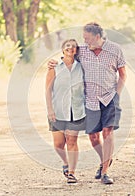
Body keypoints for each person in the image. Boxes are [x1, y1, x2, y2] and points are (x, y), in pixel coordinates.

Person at [48, 22, 127, 184]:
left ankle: (105, 172)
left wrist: (116, 95)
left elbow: (123, 74)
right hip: (90, 101)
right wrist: (53, 62)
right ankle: (104, 159)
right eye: (83, 38)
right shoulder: (82, 50)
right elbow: (66, 57)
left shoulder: (115, 49)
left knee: (107, 133)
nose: (85, 41)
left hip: (109, 98)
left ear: (97, 37)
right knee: (93, 137)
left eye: (87, 38)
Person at [45, 39, 85, 184]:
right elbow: (48, 90)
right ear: (62, 50)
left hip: (76, 110)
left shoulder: (81, 67)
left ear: (76, 51)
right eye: (68, 46)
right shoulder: (54, 67)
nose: (71, 48)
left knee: (72, 141)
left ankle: (72, 173)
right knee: (58, 145)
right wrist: (50, 110)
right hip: (57, 110)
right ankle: (65, 162)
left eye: (74, 47)